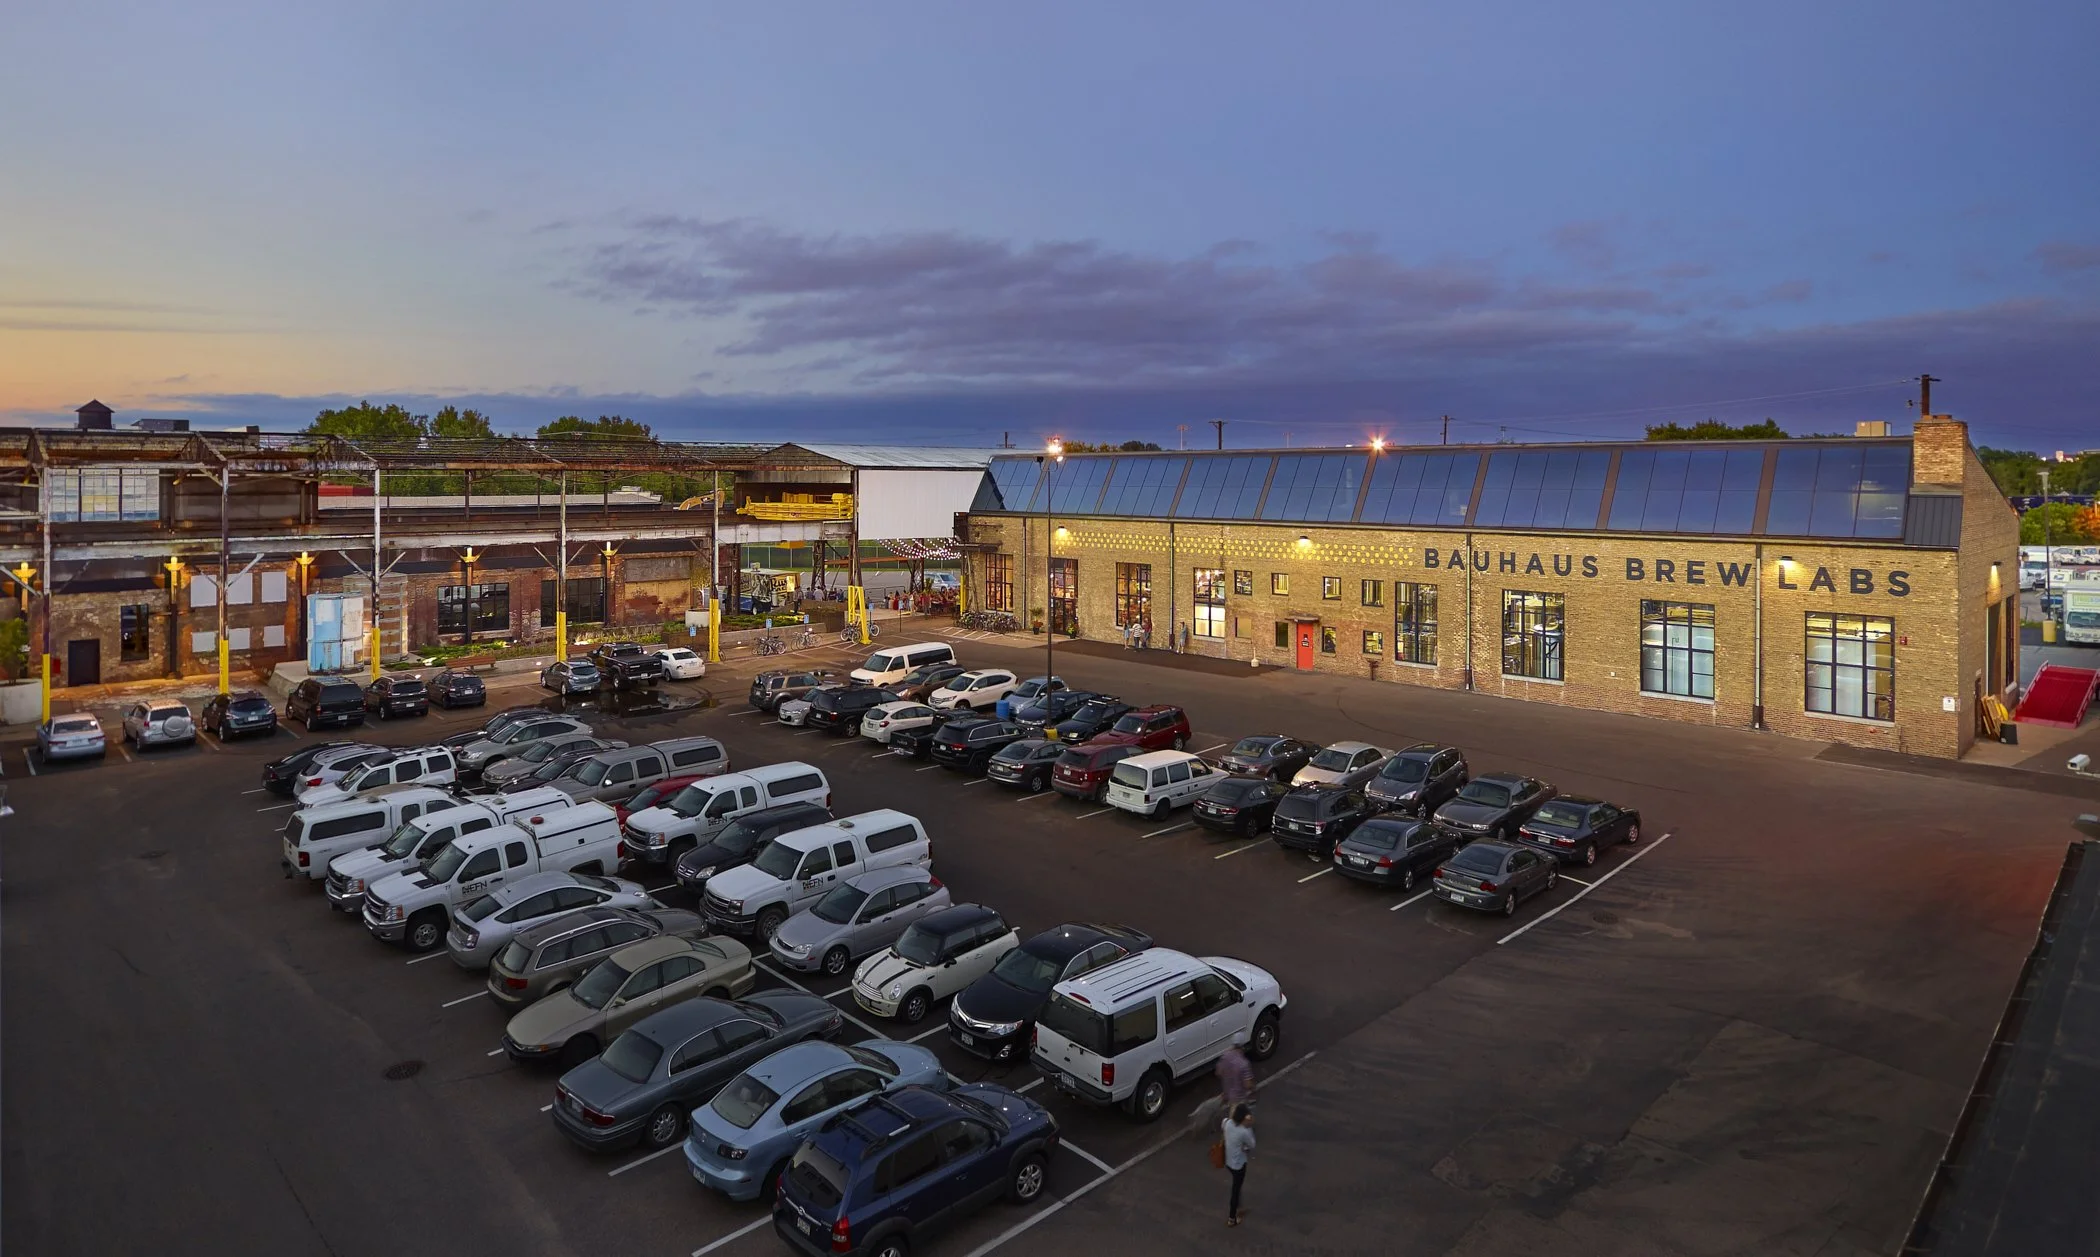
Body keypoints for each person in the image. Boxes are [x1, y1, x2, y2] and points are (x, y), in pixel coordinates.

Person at [1222, 1104, 1255, 1226]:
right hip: (1239, 1165)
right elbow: (1252, 1144)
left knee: (1237, 1187)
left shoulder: (1227, 1124)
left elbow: (1224, 1121)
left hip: (1228, 1162)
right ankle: (1232, 1218)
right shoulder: (1244, 1131)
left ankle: (1239, 1208)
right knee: (1235, 1190)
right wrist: (1249, 1127)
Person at [1215, 1034, 1255, 1111]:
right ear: (1243, 1046)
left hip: (1227, 1094)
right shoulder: (1244, 1064)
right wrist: (1253, 1088)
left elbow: (1218, 1073)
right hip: (1238, 1100)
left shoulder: (1225, 1056)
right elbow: (1248, 1085)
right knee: (1239, 1120)